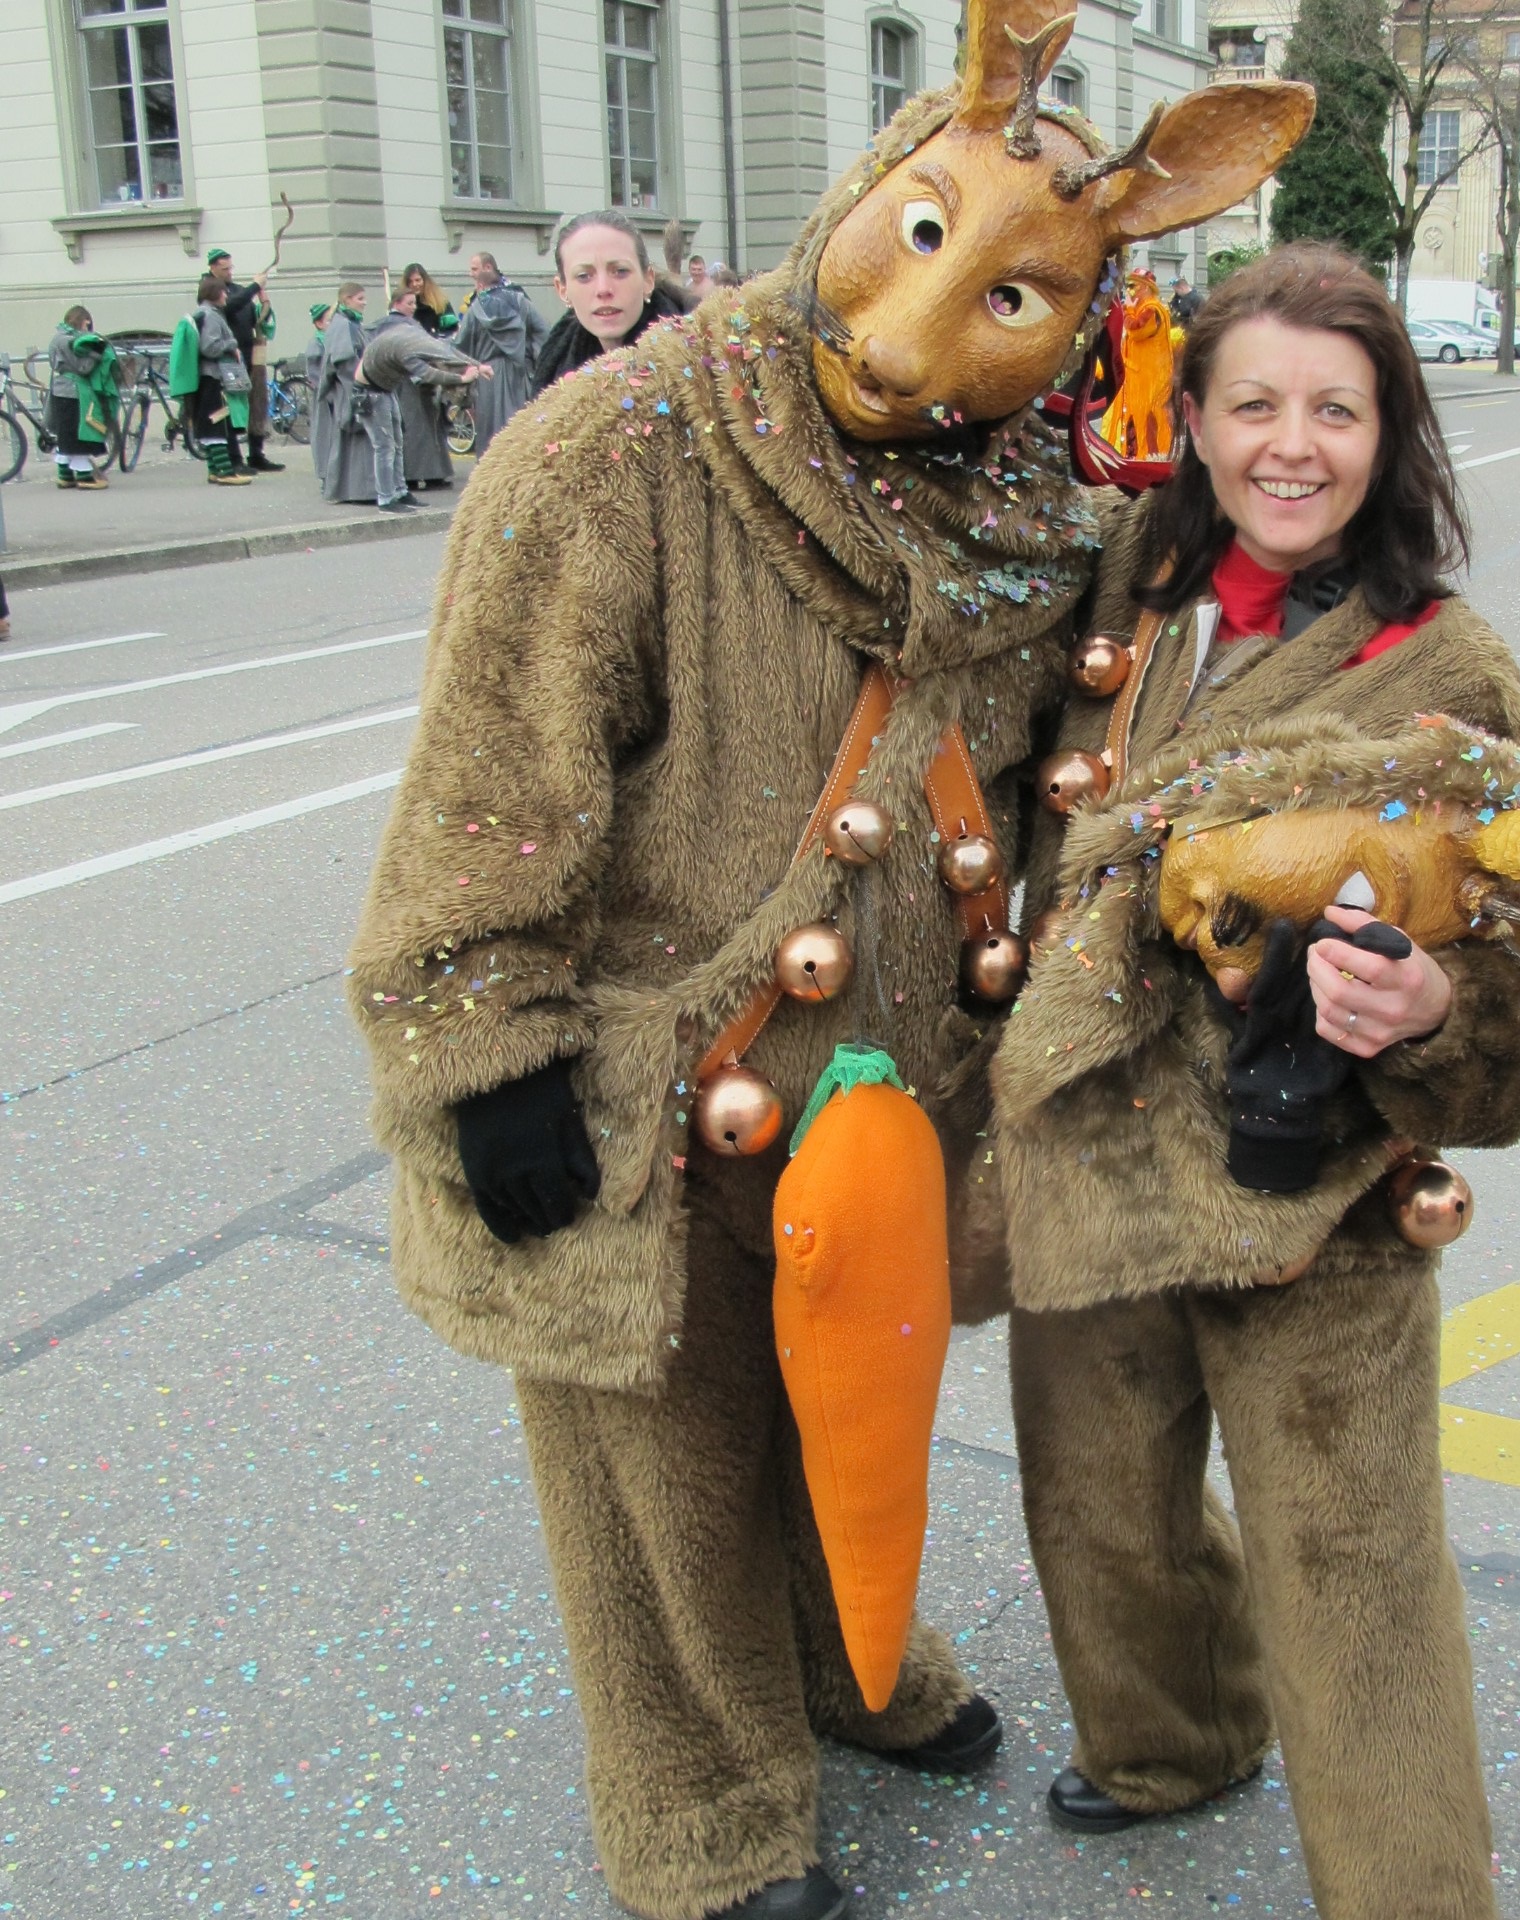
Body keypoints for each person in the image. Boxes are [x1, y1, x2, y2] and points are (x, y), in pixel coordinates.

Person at [343, 13, 1302, 1915]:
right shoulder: (618, 448)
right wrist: (484, 1044)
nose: (922, 335)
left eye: (1016, 297)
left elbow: (1066, 763)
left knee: (841, 1414)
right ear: (874, 188)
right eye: (923, 239)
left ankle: (847, 1664)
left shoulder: (1037, 503)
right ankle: (706, 1823)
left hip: (892, 1086)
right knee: (662, 1457)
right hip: (654, 1075)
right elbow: (491, 775)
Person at [994, 243, 1520, 1920]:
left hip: (1311, 1191)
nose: (1292, 446)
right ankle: (1175, 1740)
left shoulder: (1450, 664)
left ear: (1391, 435)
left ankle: (1414, 1897)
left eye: (1336, 410)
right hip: (1097, 1144)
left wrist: (1434, 1007)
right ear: (1194, 419)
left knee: (1353, 1577)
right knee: (1102, 1505)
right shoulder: (1128, 592)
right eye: (1254, 405)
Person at [532, 208, 688, 391]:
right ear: (562, 289)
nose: (603, 289)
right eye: (584, 276)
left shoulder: (699, 360)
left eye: (620, 271)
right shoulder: (555, 364)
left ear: (648, 280)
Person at [359, 286, 490, 489]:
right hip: (405, 385)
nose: (413, 307)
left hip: (405, 383)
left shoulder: (400, 325)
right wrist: (462, 376)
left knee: (414, 431)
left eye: (414, 303)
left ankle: (417, 477)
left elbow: (439, 350)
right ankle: (412, 478)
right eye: (409, 303)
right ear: (396, 303)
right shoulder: (400, 328)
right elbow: (431, 362)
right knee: (411, 432)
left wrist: (475, 366)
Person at [313, 282, 404, 509]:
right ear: (347, 300)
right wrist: (363, 383)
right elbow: (344, 363)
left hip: (359, 387)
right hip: (353, 390)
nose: (364, 303)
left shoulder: (350, 323)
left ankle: (365, 488)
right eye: (360, 298)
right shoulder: (343, 325)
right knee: (362, 443)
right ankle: (359, 489)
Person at [451, 251, 547, 455]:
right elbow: (542, 334)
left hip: (487, 374)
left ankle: (490, 470)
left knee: (490, 432)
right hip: (520, 372)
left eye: (474, 269)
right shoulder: (520, 301)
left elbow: (459, 346)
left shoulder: (476, 308)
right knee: (520, 425)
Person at [207, 246, 283, 473]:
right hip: (229, 360)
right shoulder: (209, 289)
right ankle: (234, 459)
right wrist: (254, 286)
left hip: (249, 355)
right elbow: (230, 306)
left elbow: (251, 316)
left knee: (256, 404)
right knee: (232, 408)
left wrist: (264, 305)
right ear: (212, 268)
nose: (230, 272)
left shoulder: (238, 289)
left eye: (231, 267)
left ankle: (256, 454)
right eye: (225, 269)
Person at [178, 272, 251, 484]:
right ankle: (225, 471)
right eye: (223, 291)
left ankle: (214, 469)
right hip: (214, 376)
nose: (227, 295)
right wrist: (231, 345)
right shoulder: (211, 316)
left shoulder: (202, 313)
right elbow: (209, 347)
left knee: (211, 422)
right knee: (217, 422)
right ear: (214, 293)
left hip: (205, 376)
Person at [47, 306, 116, 490]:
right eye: (87, 323)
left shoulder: (57, 338)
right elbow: (83, 368)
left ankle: (65, 475)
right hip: (75, 391)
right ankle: (85, 475)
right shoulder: (71, 340)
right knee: (79, 434)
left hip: (60, 389)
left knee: (65, 434)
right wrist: (96, 354)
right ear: (84, 321)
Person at [305, 301, 334, 484]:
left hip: (334, 392)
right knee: (324, 432)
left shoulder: (333, 339)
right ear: (319, 323)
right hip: (324, 395)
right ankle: (325, 472)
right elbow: (314, 372)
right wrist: (325, 389)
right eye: (329, 320)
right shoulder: (317, 343)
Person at [402, 263, 452, 335]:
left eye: (417, 280)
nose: (414, 284)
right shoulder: (403, 305)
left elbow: (452, 329)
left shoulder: (440, 302)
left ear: (425, 280)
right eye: (410, 281)